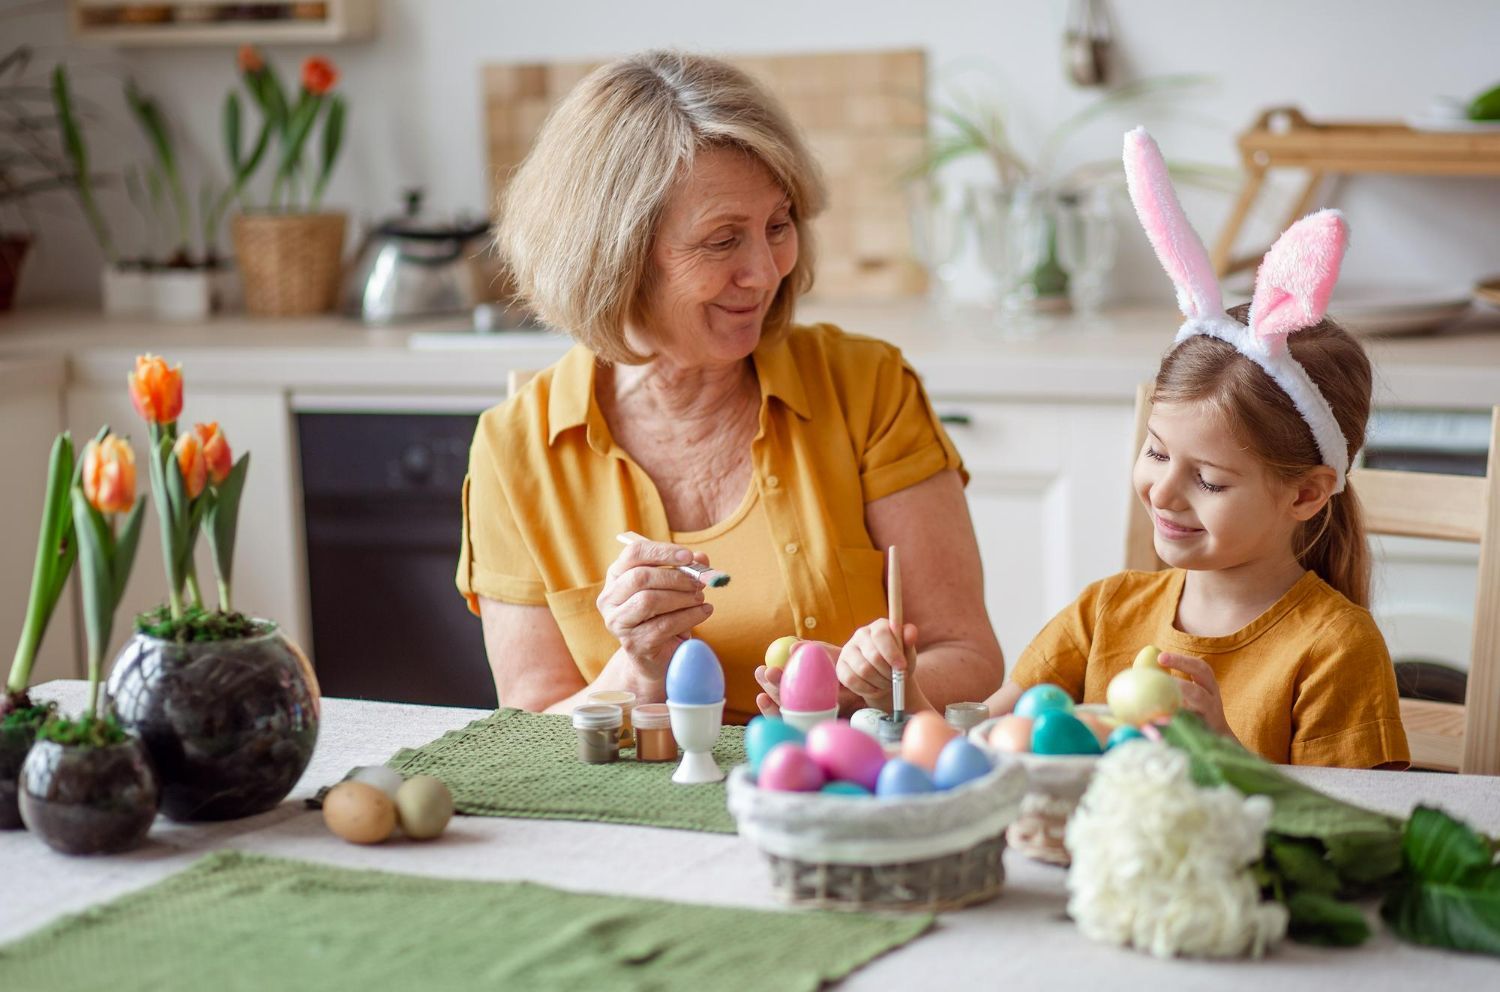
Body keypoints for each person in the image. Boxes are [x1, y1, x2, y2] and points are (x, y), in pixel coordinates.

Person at [771, 129, 1409, 768]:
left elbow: (1351, 841)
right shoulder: (1104, 613)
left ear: (1305, 492)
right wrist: (896, 697)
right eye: (1157, 453)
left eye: (1209, 480)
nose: (1160, 490)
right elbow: (978, 753)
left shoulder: (1337, 651)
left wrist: (1222, 753)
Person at [458, 51, 1005, 724]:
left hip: (841, 798)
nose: (765, 271)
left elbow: (967, 652)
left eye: (778, 227)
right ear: (616, 257)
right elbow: (530, 730)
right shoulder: (514, 448)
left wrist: (862, 691)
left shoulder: (867, 387)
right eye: (721, 242)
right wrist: (637, 667)